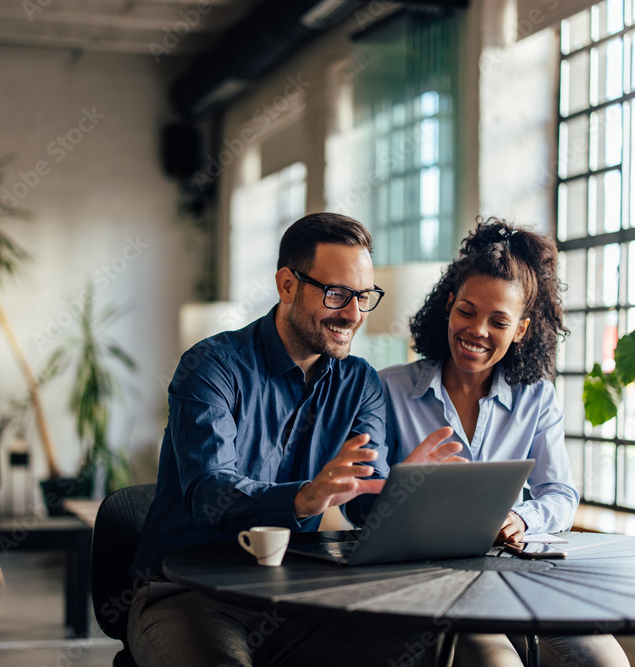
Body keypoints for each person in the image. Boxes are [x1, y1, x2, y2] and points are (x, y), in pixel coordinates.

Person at [126, 212, 464, 667]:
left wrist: (406, 489)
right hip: (185, 591)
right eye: (337, 294)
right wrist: (304, 499)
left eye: (364, 297)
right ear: (288, 285)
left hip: (295, 594)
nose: (353, 314)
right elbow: (208, 494)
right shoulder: (212, 367)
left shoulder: (360, 383)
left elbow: (364, 502)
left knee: (435, 648)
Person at [380, 217, 630, 667]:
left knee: (605, 659)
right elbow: (362, 503)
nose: (477, 330)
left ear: (521, 330)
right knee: (497, 662)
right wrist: (404, 483)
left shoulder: (537, 399)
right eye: (467, 311)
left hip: (512, 572)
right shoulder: (389, 390)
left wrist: (520, 517)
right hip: (425, 580)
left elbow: (561, 494)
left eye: (498, 321)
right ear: (448, 307)